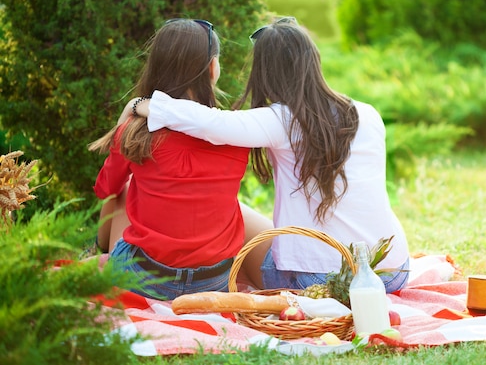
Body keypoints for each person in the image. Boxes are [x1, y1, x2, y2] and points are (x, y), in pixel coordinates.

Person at [128, 17, 410, 293]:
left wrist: (140, 104)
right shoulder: (368, 114)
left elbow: (208, 122)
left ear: (264, 72)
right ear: (314, 59)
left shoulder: (280, 121)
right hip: (391, 270)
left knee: (239, 215)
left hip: (317, 283)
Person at [89, 19, 251, 300]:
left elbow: (105, 190)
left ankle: (97, 251)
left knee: (123, 188)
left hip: (145, 278)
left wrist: (125, 121)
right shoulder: (237, 134)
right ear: (213, 69)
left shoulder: (136, 132)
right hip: (213, 282)